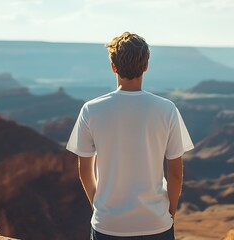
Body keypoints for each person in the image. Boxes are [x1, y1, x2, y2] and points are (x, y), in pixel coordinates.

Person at [66, 32, 194, 240]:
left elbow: (85, 171)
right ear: (146, 66)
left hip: (107, 225)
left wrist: (99, 207)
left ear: (113, 67)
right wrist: (170, 211)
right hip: (155, 223)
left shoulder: (91, 110)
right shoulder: (166, 109)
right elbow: (175, 172)